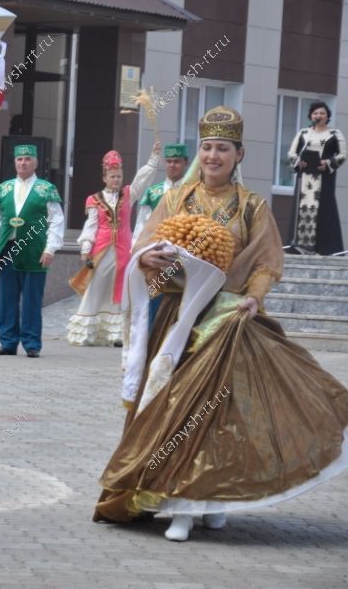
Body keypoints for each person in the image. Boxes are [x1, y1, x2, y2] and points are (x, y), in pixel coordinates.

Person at [94, 106, 348, 542]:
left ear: (238, 154)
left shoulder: (252, 206)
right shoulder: (174, 199)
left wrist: (253, 297)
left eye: (223, 149)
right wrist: (149, 258)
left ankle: (206, 501)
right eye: (208, 147)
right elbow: (144, 247)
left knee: (216, 416)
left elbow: (268, 262)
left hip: (226, 320)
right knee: (171, 410)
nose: (213, 156)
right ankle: (174, 501)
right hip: (176, 320)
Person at [67, 144, 159, 346]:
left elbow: (141, 181)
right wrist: (85, 249)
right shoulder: (94, 199)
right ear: (104, 177)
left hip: (123, 251)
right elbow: (91, 225)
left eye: (119, 176)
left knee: (120, 288)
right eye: (112, 176)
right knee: (97, 287)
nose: (116, 179)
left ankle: (116, 334)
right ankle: (87, 333)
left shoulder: (128, 194)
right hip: (101, 250)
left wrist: (153, 159)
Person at [0, 145, 64, 358]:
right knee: (6, 298)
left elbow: (56, 220)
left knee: (32, 299)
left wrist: (50, 248)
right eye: (19, 159)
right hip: (8, 248)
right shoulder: (4, 189)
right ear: (15, 162)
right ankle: (7, 341)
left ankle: (31, 343)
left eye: (27, 159)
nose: (23, 163)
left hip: (34, 249)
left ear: (35, 162)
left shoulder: (46, 189)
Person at [132, 143, 188, 326]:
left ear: (185, 163)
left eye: (177, 161)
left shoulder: (193, 193)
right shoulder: (153, 193)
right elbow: (141, 226)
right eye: (169, 161)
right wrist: (139, 254)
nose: (172, 165)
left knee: (181, 312)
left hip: (184, 260)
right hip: (156, 259)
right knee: (153, 311)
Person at [287, 101, 345, 255]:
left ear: (327, 116)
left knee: (324, 209)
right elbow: (292, 154)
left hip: (324, 178)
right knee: (302, 208)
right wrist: (300, 162)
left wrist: (327, 163)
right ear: (311, 116)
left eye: (321, 113)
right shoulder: (304, 133)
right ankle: (300, 246)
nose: (318, 116)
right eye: (315, 113)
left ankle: (325, 248)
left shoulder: (335, 134)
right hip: (305, 177)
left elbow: (344, 154)